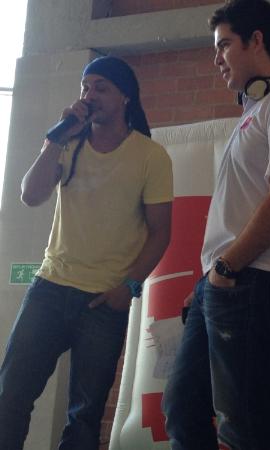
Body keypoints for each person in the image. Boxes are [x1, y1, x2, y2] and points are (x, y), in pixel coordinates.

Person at [161, 0, 270, 448]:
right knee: (183, 408)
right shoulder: (257, 109)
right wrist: (209, 278)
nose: (216, 58)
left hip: (253, 278)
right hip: (225, 280)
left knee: (244, 427)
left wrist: (226, 267)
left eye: (224, 45)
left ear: (256, 40)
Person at [0, 56, 173, 450]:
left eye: (101, 88)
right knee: (10, 395)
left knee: (84, 415)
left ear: (125, 96)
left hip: (102, 301)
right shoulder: (67, 144)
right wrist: (55, 139)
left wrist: (129, 287)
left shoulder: (150, 156)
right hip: (50, 287)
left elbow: (161, 232)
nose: (89, 95)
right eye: (85, 87)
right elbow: (30, 195)